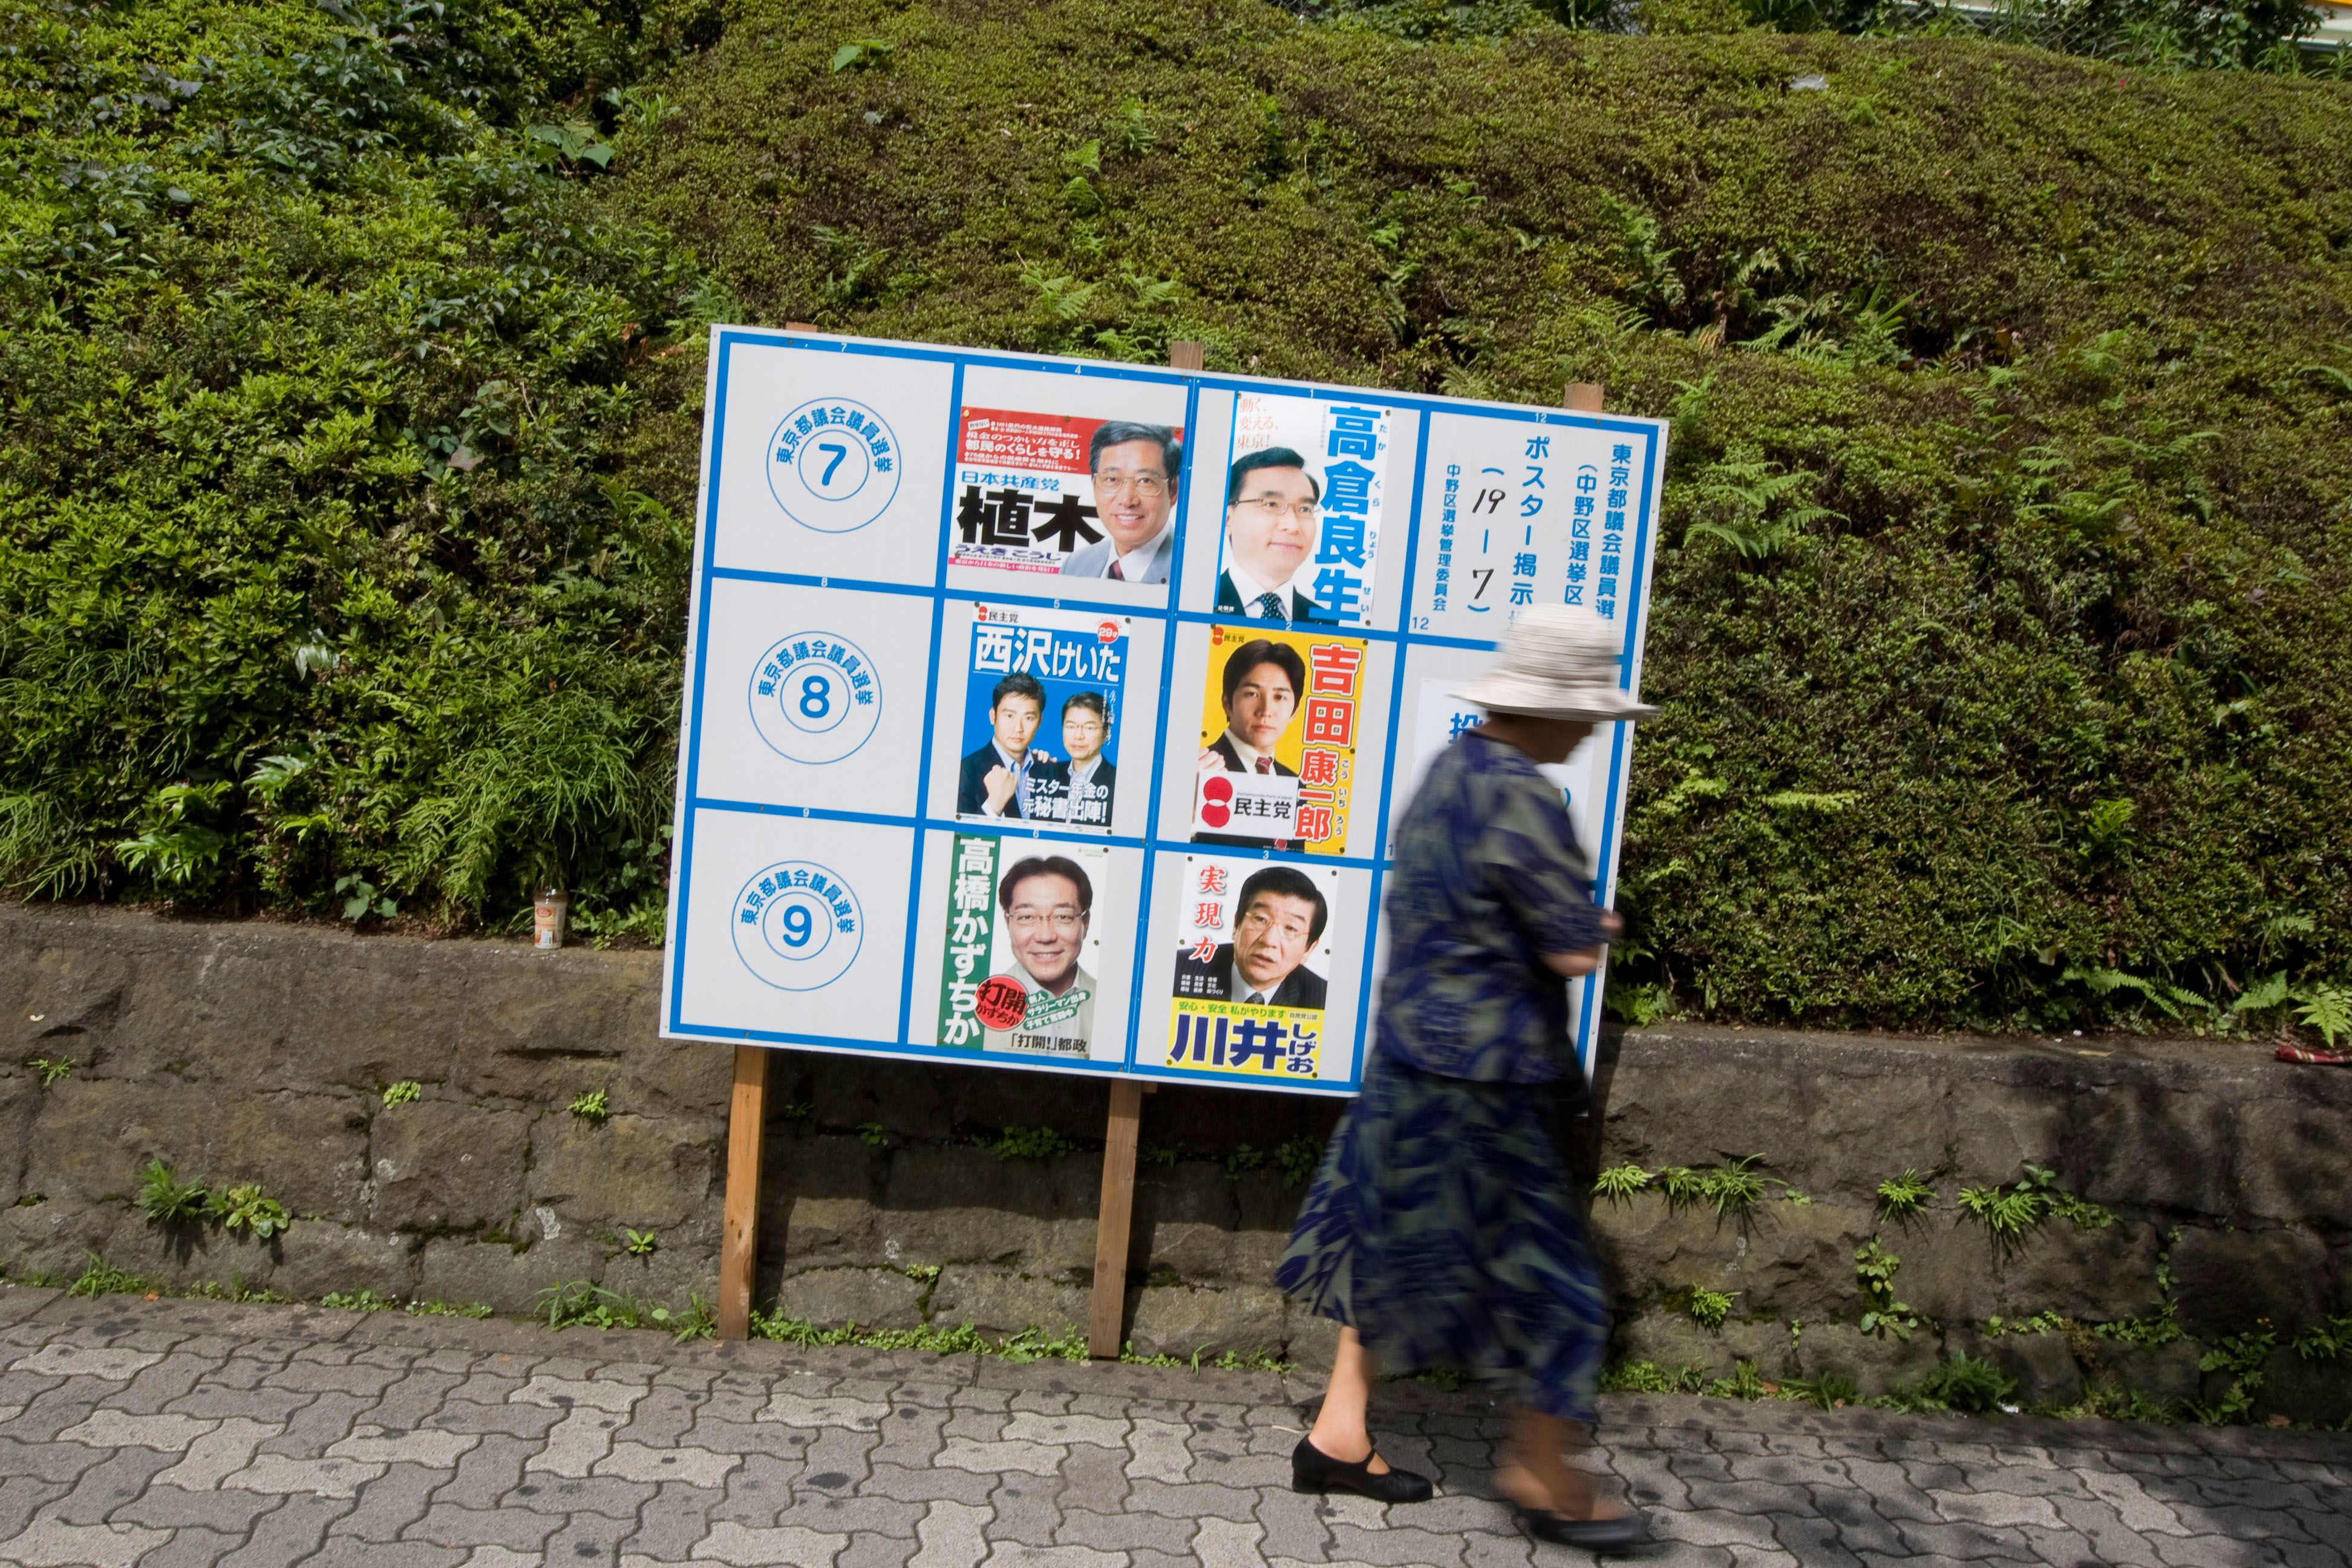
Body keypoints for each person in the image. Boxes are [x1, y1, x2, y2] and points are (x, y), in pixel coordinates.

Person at [1275, 605, 1657, 1552]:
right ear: (1550, 709)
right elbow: (1568, 947)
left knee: (1386, 1244)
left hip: (1407, 1059)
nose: (1591, 728)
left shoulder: (1448, 771)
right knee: (1559, 1286)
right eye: (1587, 712)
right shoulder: (1522, 794)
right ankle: (1544, 1476)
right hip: (1484, 1085)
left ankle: (1336, 1434)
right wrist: (1603, 925)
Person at [1194, 639, 1305, 849]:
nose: (1265, 710)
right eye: (1252, 694)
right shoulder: (1199, 771)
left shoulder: (1296, 784)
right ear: (1227, 703)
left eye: (1280, 697)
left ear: (1295, 711)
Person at [985, 856, 1095, 1056]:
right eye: (1027, 917)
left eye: (1063, 917)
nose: (1045, 936)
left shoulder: (1112, 1005)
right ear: (1008, 923)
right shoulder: (973, 1006)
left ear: (1085, 924)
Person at [1174, 866, 1328, 1008]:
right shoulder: (1177, 970)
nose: (1269, 941)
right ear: (1236, 925)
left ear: (1309, 949)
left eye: (1290, 928)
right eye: (1260, 919)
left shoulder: (1323, 1000)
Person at [1214, 448, 1336, 625]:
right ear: (1228, 520)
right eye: (1271, 504)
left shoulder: (1327, 623)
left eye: (1305, 509)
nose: (1293, 526)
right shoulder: (1197, 602)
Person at [1061, 422, 1179, 584]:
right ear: (1095, 485)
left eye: (1145, 480)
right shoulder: (1074, 566)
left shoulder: (1192, 572)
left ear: (1173, 490)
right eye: (1112, 479)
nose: (1127, 500)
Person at [955, 673, 1056, 820]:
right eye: (1009, 716)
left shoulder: (1048, 768)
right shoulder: (965, 772)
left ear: (1040, 721)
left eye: (1029, 718)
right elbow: (955, 837)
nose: (1018, 728)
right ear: (993, 716)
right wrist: (993, 806)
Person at [1044, 691, 1116, 828]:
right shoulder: (1048, 773)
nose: (1078, 735)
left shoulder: (1118, 783)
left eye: (1089, 727)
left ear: (1106, 733)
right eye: (1071, 726)